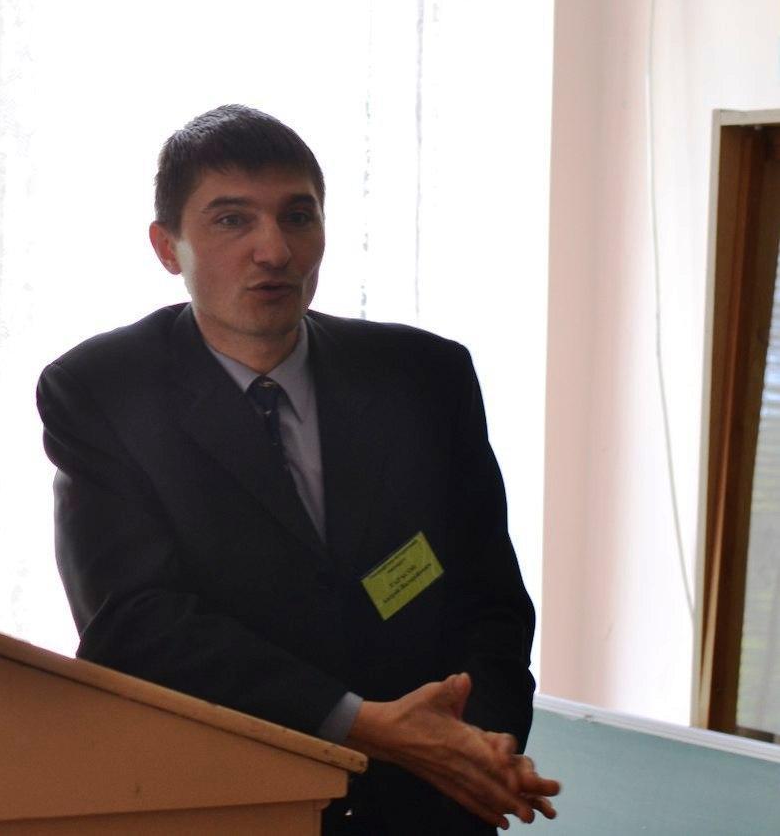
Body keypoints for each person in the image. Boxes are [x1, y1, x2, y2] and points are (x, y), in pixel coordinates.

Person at [37, 104, 559, 833]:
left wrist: (478, 746)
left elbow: (490, 599)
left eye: (297, 216)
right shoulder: (102, 390)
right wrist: (359, 724)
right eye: (232, 220)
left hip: (428, 803)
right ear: (167, 246)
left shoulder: (424, 375)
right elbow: (135, 623)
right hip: (228, 801)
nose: (274, 251)